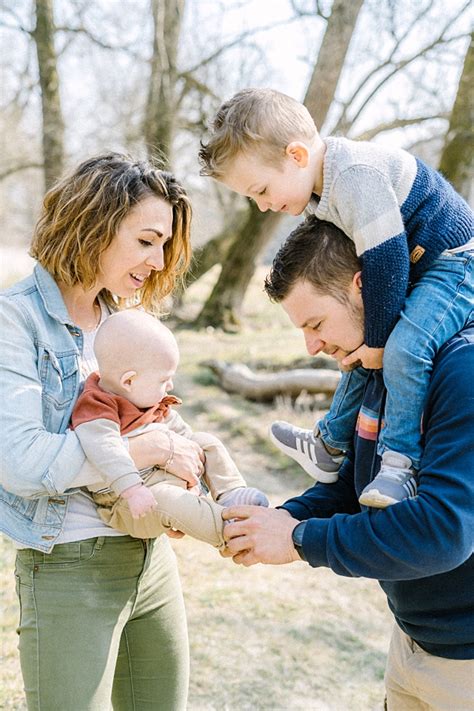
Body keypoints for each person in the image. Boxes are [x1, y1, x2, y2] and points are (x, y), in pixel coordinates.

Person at [222, 219, 474, 710]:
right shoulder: (379, 367)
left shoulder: (462, 372)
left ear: (364, 285)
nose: (311, 347)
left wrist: (298, 542)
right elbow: (353, 489)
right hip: (413, 642)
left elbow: (443, 532)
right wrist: (280, 520)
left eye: (315, 324)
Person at [199, 87, 474, 508]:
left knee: (402, 348)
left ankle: (399, 466)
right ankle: (329, 445)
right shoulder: (318, 195)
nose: (261, 206)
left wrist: (379, 344)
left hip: (454, 262)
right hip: (419, 262)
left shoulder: (353, 176)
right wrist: (366, 345)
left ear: (296, 156)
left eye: (261, 190)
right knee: (356, 350)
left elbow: (388, 260)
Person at [0, 153, 202, 710]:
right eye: (145, 241)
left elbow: (158, 413)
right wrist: (143, 450)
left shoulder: (125, 321)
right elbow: (19, 461)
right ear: (93, 224)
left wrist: (187, 468)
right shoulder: (14, 320)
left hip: (151, 560)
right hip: (69, 564)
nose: (158, 261)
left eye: (164, 245)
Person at [70, 309, 268, 546]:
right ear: (129, 381)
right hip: (124, 501)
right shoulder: (96, 407)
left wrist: (195, 469)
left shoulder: (144, 397)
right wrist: (132, 489)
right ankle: (226, 530)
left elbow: (181, 436)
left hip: (161, 475)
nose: (171, 385)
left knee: (205, 441)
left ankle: (231, 493)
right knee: (170, 501)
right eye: (164, 380)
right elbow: (105, 451)